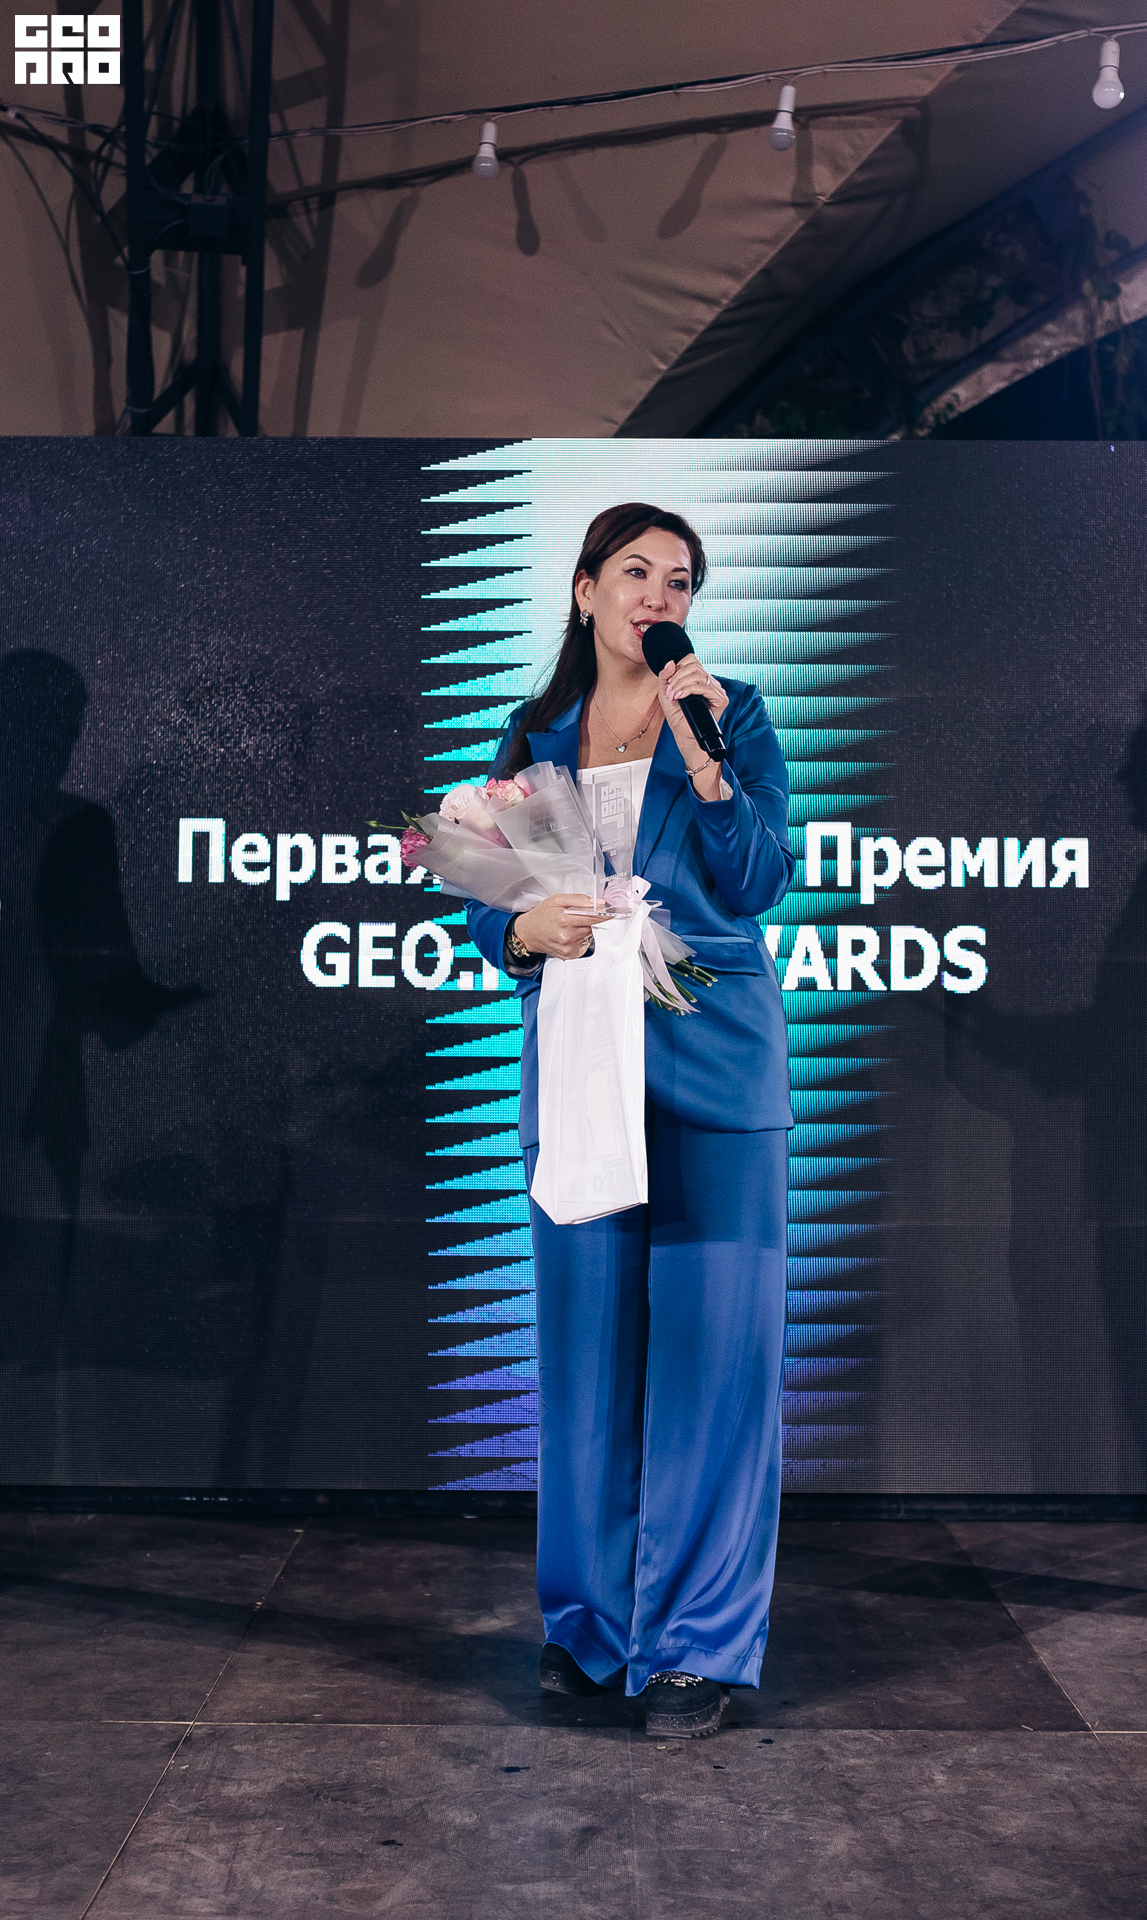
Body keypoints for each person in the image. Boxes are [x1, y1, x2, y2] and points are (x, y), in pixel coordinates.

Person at [465, 501, 795, 1738]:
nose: (660, 595)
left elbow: (756, 879)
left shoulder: (732, 714)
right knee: (585, 1369)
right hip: (579, 1073)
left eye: (681, 580)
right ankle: (589, 1629)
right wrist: (516, 927)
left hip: (715, 1077)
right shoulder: (532, 735)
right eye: (637, 572)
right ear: (586, 589)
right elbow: (486, 895)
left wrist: (702, 756)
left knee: (712, 1372)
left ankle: (696, 1647)